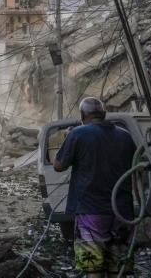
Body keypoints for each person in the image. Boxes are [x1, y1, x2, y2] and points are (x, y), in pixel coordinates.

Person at [54, 97, 137, 278]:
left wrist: (67, 139)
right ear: (105, 114)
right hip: (122, 211)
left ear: (82, 115)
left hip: (91, 212)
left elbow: (58, 165)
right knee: (119, 268)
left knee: (93, 269)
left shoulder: (77, 134)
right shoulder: (125, 136)